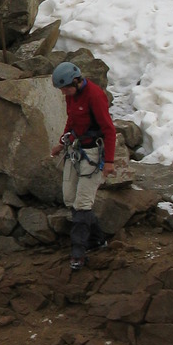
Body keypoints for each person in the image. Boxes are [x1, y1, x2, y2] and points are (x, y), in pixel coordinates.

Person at [50, 60, 117, 271]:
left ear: (76, 82)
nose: (63, 94)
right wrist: (61, 143)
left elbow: (109, 130)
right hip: (76, 150)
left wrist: (109, 162)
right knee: (70, 198)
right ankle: (98, 239)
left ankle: (78, 251)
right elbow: (72, 121)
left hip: (93, 154)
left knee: (82, 204)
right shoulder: (73, 96)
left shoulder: (95, 96)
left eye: (65, 89)